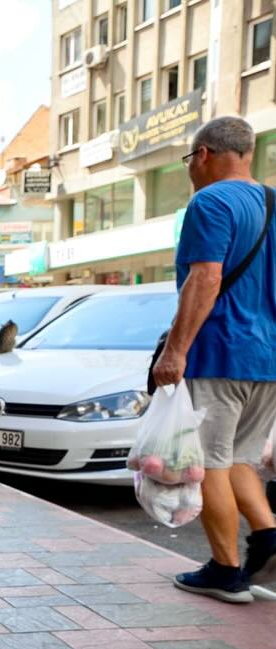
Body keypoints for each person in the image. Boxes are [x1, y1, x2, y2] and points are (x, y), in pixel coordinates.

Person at [152, 116, 276, 602]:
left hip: (220, 350)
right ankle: (267, 536)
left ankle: (226, 571)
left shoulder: (210, 201)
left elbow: (205, 278)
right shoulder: (271, 201)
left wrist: (175, 350)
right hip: (266, 360)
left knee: (207, 463)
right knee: (240, 458)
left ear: (202, 154)